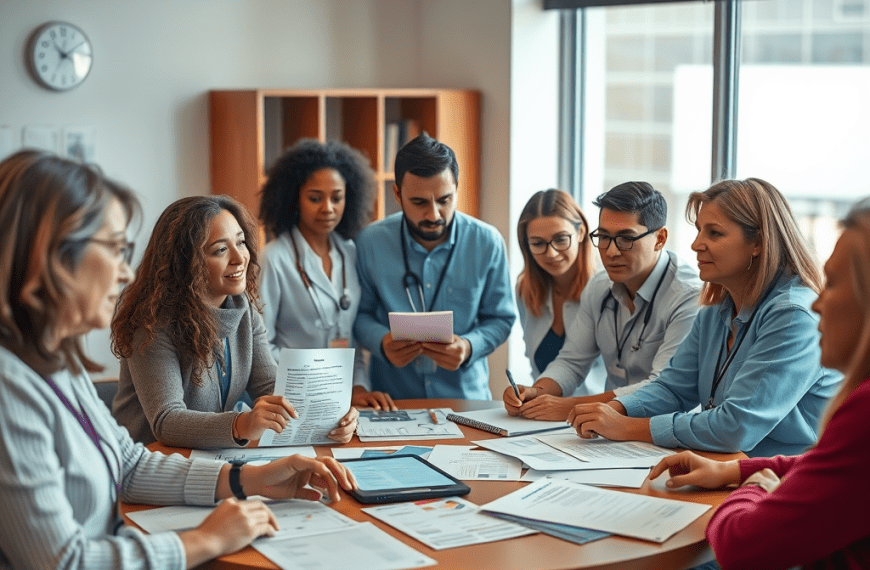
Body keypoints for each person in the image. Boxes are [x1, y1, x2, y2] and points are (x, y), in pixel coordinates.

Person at [0, 150, 357, 569]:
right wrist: (202, 541)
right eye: (114, 248)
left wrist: (252, 478)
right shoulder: (10, 392)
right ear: (52, 257)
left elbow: (129, 465)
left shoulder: (59, 364)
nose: (125, 272)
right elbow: (66, 563)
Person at [649, 198, 870, 569]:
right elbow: (827, 465)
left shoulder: (793, 314)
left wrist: (750, 491)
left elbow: (740, 548)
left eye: (831, 284)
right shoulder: (715, 313)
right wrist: (736, 471)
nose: (817, 304)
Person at [569, 178, 842, 457]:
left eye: (714, 233)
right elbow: (673, 389)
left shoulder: (793, 316)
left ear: (758, 242)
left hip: (784, 480)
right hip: (728, 467)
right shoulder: (716, 309)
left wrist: (627, 427)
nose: (696, 244)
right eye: (699, 231)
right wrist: (615, 410)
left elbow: (736, 427)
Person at [112, 195, 358, 448]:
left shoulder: (243, 307)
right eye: (220, 250)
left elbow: (269, 386)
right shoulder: (151, 322)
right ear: (184, 263)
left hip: (209, 457)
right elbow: (166, 420)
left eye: (240, 243)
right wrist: (243, 424)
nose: (240, 258)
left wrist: (329, 415)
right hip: (150, 463)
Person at [505, 182, 702, 419]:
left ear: (660, 238)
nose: (610, 252)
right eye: (604, 237)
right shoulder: (599, 286)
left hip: (662, 431)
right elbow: (571, 362)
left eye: (625, 239)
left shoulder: (688, 296)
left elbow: (661, 387)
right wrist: (536, 392)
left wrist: (570, 406)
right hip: (605, 427)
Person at [353, 133, 515, 400]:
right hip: (393, 401)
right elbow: (359, 315)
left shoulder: (487, 242)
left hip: (466, 400)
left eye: (444, 200)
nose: (434, 214)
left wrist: (469, 346)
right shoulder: (370, 242)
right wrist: (382, 342)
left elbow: (501, 318)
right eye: (419, 202)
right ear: (397, 193)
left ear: (457, 189)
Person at [258, 139, 395, 411]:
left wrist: (357, 387)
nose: (328, 208)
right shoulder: (274, 258)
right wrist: (318, 386)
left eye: (337, 197)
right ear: (294, 198)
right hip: (291, 399)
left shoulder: (351, 253)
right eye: (315, 198)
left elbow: (349, 339)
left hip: (343, 400)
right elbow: (261, 345)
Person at [513, 189, 605, 390]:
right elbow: (537, 368)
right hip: (547, 413)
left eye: (561, 239)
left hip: (600, 414)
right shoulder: (526, 290)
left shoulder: (607, 287)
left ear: (580, 232)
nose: (551, 253)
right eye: (538, 243)